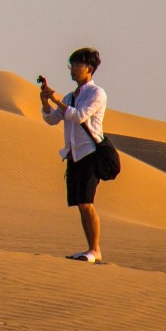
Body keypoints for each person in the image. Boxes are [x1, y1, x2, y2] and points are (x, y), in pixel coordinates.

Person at [38, 47, 108, 262]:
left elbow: (79, 116)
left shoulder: (96, 93)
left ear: (90, 68)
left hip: (89, 153)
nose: (73, 69)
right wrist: (45, 101)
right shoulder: (70, 96)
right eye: (72, 65)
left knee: (87, 202)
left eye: (78, 65)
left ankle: (95, 250)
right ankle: (91, 249)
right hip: (73, 155)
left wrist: (58, 100)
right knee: (81, 203)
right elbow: (52, 120)